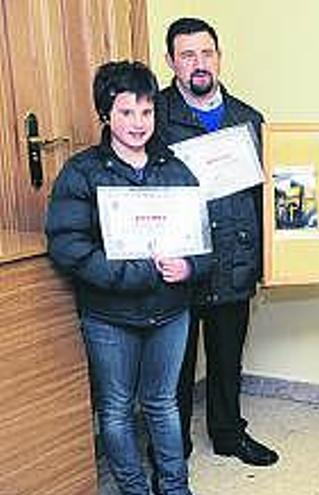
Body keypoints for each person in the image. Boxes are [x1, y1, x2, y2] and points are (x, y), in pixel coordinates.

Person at [46, 61, 205, 495]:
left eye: (147, 112)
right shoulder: (81, 173)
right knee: (116, 409)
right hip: (109, 316)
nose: (139, 123)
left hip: (170, 312)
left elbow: (203, 243)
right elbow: (68, 246)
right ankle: (134, 489)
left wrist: (189, 267)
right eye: (126, 112)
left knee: (163, 405)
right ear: (106, 114)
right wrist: (134, 274)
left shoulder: (176, 169)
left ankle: (174, 487)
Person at [155, 17, 278, 467]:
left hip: (234, 261)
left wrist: (268, 262)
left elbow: (265, 196)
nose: (199, 64)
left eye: (207, 53)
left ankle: (228, 434)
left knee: (227, 361)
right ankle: (173, 447)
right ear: (170, 61)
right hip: (179, 267)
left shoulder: (249, 119)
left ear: (220, 58)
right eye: (187, 55)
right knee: (175, 369)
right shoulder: (155, 118)